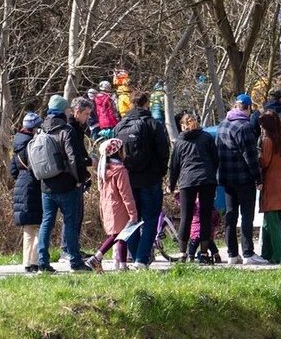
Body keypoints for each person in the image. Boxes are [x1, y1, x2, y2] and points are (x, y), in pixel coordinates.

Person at [36, 94, 93, 272]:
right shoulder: (66, 130)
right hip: (67, 184)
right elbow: (74, 158)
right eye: (67, 109)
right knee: (70, 222)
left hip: (46, 185)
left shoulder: (42, 130)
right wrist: (80, 179)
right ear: (63, 111)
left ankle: (42, 262)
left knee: (47, 223)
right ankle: (75, 261)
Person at [116, 91, 171, 270]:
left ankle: (137, 256)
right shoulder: (153, 124)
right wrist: (161, 172)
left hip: (127, 179)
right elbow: (164, 151)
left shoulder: (120, 125)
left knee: (132, 219)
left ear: (130, 104)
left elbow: (114, 154)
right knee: (151, 219)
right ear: (147, 103)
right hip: (150, 179)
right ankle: (141, 258)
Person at [217, 94, 265, 264]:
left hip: (226, 178)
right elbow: (250, 156)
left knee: (230, 215)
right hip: (243, 178)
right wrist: (258, 178)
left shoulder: (222, 124)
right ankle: (248, 253)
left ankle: (232, 254)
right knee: (246, 216)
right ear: (248, 108)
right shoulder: (244, 127)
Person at [168, 111, 219, 264]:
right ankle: (203, 254)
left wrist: (171, 185)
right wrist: (211, 174)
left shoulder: (180, 142)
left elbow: (174, 166)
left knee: (186, 217)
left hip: (187, 181)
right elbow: (215, 159)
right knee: (205, 217)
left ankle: (183, 253)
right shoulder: (207, 137)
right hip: (207, 180)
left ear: (183, 126)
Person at [88, 138, 137, 271]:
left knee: (121, 235)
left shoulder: (105, 170)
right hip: (119, 207)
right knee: (119, 235)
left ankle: (122, 265)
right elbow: (125, 194)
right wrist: (133, 213)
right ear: (119, 152)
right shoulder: (120, 171)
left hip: (108, 207)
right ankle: (97, 257)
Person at [10, 112, 44, 273]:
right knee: (39, 226)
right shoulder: (33, 144)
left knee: (28, 229)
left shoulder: (17, 144)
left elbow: (12, 170)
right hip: (33, 185)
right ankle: (35, 261)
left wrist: (21, 177)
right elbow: (37, 166)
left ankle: (26, 263)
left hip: (20, 185)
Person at [256, 110, 281, 264]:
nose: (261, 128)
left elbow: (264, 162)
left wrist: (256, 159)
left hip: (270, 183)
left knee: (273, 223)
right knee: (268, 221)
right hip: (280, 183)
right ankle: (266, 253)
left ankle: (279, 255)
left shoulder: (268, 141)